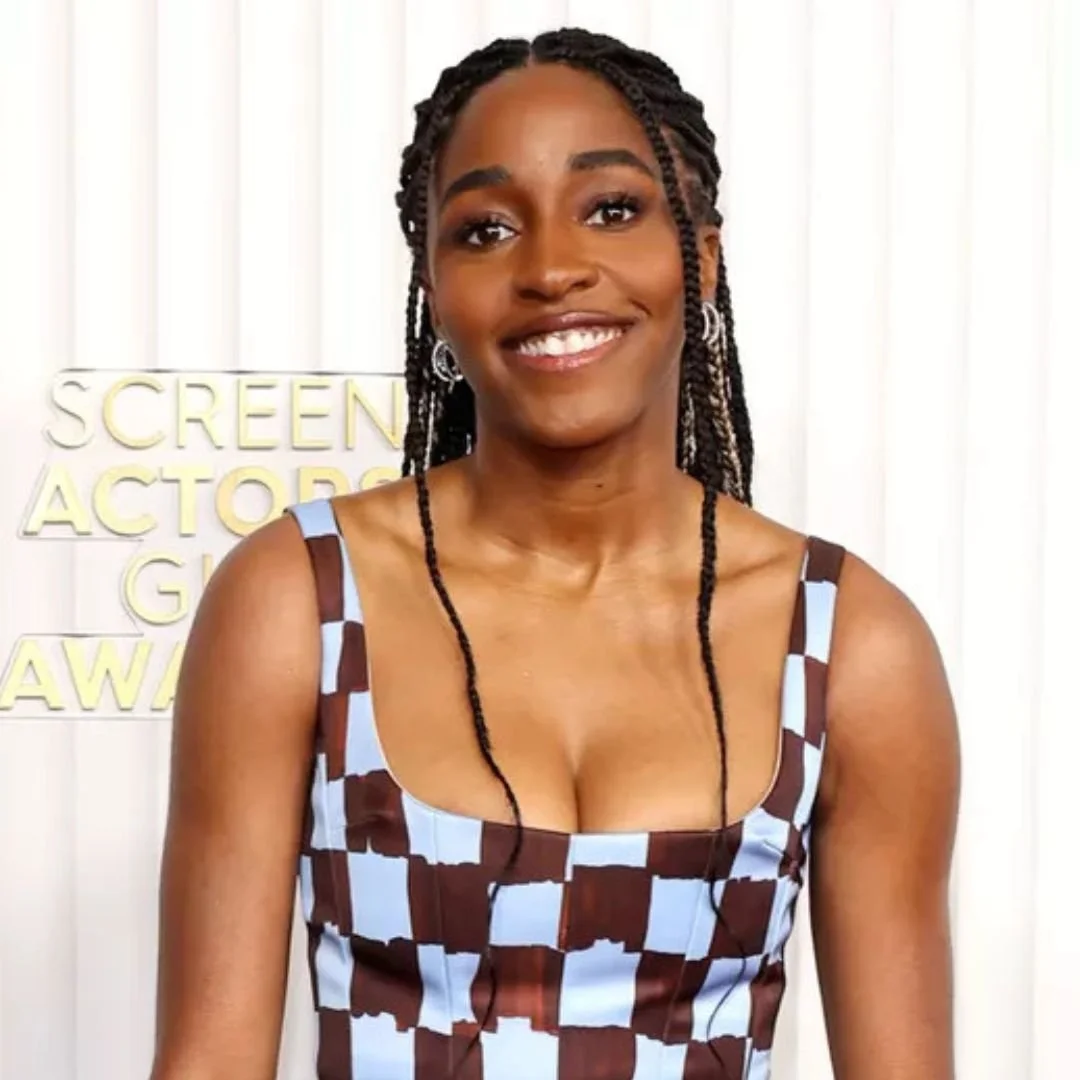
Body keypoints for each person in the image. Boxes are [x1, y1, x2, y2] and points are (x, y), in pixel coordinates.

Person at [149, 27, 960, 1080]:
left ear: (699, 261)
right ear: (434, 291)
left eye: (613, 209)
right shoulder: (296, 600)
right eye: (485, 230)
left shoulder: (852, 643)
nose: (552, 267)